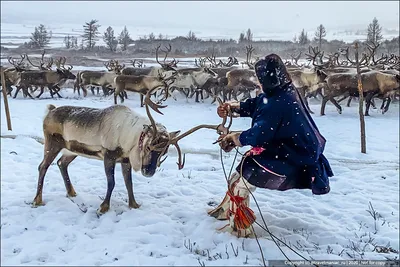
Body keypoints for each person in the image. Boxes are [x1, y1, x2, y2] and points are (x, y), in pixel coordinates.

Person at [208, 54, 333, 238]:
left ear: (268, 79)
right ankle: (225, 211)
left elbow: (260, 134)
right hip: (290, 151)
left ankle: (240, 229)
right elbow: (260, 104)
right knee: (239, 175)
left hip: (292, 159)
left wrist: (235, 138)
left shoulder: (278, 102)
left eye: (260, 79)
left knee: (240, 184)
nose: (258, 82)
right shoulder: (282, 91)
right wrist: (235, 108)